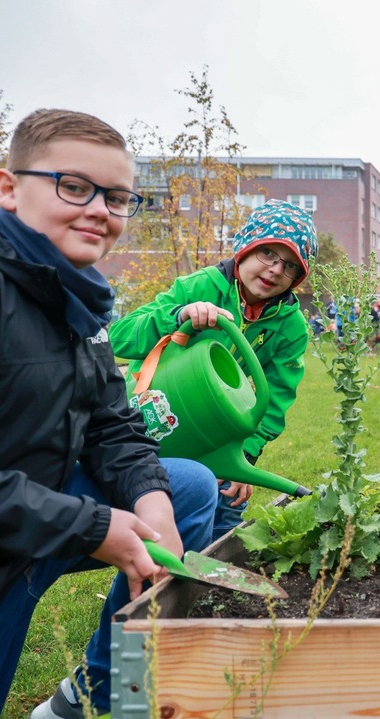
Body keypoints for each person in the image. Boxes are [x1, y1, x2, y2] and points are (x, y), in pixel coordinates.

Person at [0, 108, 218, 719]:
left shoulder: (73, 297)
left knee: (188, 489)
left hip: (23, 532)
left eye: (116, 198)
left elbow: (112, 423)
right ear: (6, 186)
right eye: (74, 187)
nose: (101, 212)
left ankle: (102, 698)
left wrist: (147, 499)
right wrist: (93, 527)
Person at [108, 199, 318, 541]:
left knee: (229, 497)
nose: (277, 270)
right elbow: (118, 338)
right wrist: (178, 315)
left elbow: (278, 395)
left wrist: (245, 455)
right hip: (151, 409)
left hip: (212, 421)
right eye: (268, 254)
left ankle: (211, 576)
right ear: (246, 249)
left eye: (291, 266)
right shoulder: (201, 287)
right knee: (159, 507)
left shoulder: (290, 325)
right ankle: (155, 576)